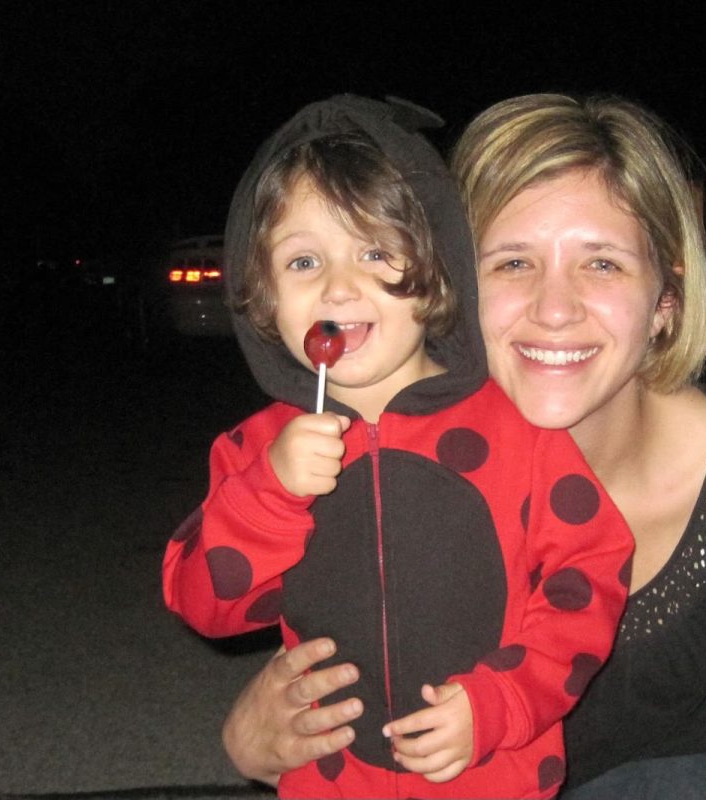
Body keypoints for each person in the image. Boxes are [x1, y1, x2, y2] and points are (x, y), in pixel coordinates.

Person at [220, 93, 706, 800]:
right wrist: (252, 737)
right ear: (444, 280)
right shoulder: (368, 447)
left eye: (602, 264)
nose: (554, 308)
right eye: (512, 263)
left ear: (665, 299)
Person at [162, 94, 633, 799]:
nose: (339, 286)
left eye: (376, 252)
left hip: (494, 777)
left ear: (437, 267)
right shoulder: (255, 451)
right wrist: (271, 493)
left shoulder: (520, 429)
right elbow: (206, 604)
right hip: (329, 780)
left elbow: (587, 580)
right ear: (260, 293)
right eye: (302, 262)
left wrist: (499, 703)